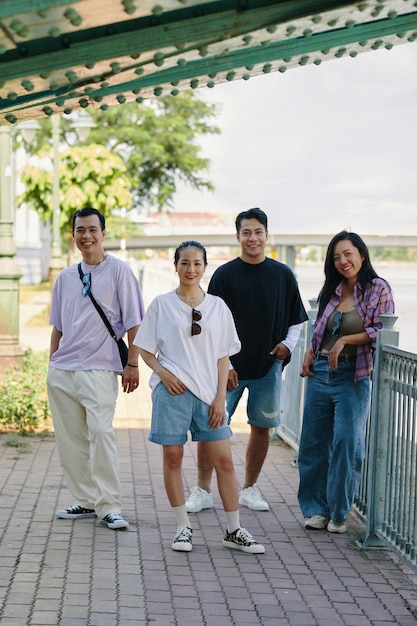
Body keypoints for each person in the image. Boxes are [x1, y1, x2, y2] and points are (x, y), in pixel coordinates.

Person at [134, 240, 265, 554]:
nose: (190, 269)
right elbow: (145, 349)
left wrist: (220, 398)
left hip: (208, 395)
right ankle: (183, 528)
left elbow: (223, 356)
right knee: (173, 459)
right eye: (184, 263)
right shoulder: (161, 305)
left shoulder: (217, 307)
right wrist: (165, 374)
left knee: (225, 463)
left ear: (205, 267)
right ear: (175, 266)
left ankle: (234, 530)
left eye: (197, 264)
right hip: (172, 393)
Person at [185, 208, 308, 514]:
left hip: (268, 366)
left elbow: (297, 317)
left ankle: (250, 489)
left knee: (261, 427)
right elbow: (209, 324)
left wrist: (287, 345)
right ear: (237, 236)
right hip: (228, 369)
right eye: (246, 232)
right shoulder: (225, 275)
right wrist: (225, 365)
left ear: (266, 235)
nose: (252, 238)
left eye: (258, 232)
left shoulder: (282, 275)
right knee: (210, 426)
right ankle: (202, 489)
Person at [47, 207, 144, 530]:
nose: (86, 236)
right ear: (73, 235)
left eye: (92, 229)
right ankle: (86, 500)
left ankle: (109, 505)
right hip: (63, 371)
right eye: (80, 230)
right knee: (70, 440)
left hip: (100, 369)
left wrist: (132, 363)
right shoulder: (64, 278)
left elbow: (134, 322)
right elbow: (58, 328)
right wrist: (52, 366)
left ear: (103, 234)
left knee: (101, 434)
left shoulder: (120, 272)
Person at [297, 230, 395, 533]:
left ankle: (339, 511)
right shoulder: (332, 288)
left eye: (348, 254)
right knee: (312, 444)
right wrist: (312, 351)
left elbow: (382, 329)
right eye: (337, 256)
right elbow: (321, 329)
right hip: (320, 373)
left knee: (346, 441)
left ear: (361, 255)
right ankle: (316, 509)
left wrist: (346, 340)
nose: (343, 261)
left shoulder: (378, 288)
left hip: (353, 375)